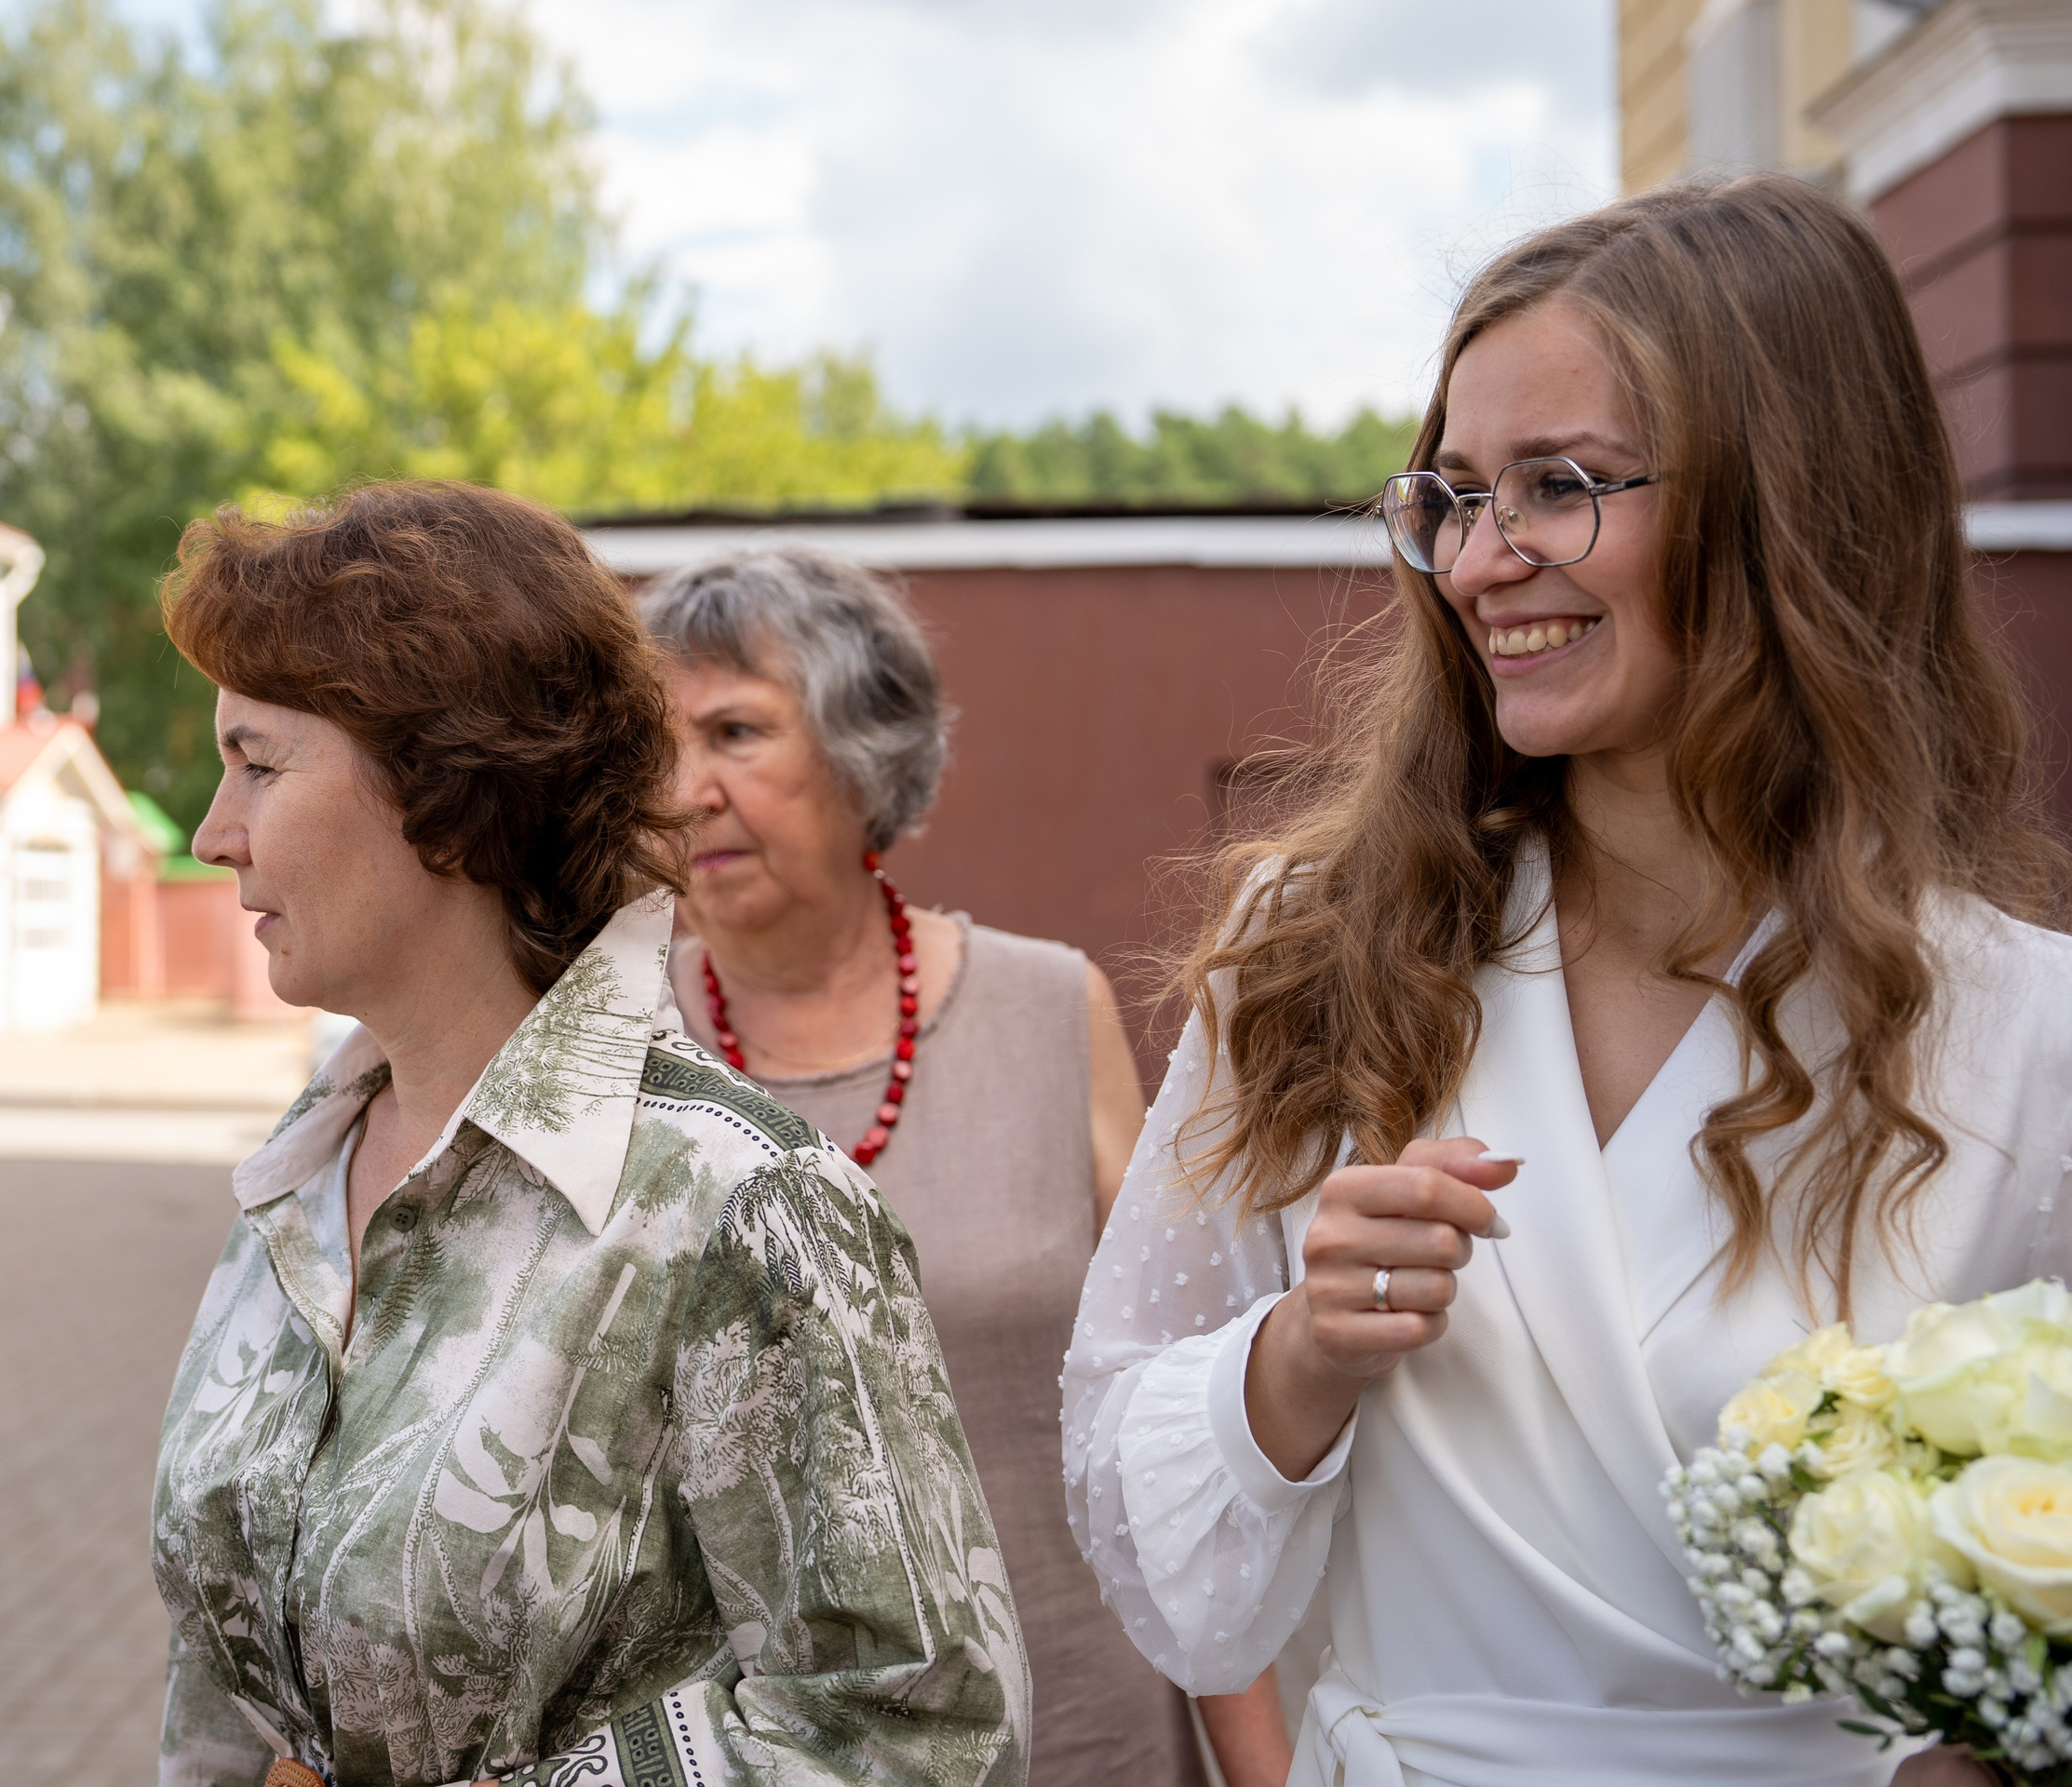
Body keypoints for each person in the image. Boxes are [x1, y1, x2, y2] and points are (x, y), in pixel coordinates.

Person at [1061, 174, 2072, 1787]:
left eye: (1562, 485)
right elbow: (1133, 1518)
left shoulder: (2029, 1034)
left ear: (1786, 505)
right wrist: (1292, 1361)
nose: (1478, 563)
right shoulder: (1310, 958)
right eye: (1455, 495)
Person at [149, 483, 1027, 1787]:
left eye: (260, 764)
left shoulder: (743, 1209)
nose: (218, 837)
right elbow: (224, 1682)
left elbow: (923, 1735)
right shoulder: (303, 1164)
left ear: (448, 791)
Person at [639, 545, 1294, 1787]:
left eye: (734, 732)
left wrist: (1267, 1771)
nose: (685, 792)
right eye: (656, 751)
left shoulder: (1049, 1011)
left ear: (861, 751)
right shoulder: (622, 1058)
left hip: (1084, 1732)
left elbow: (1181, 1422)